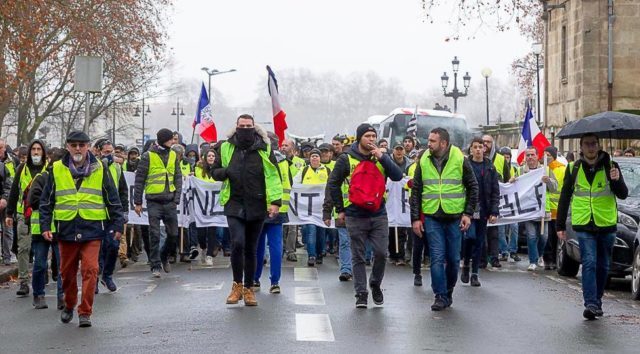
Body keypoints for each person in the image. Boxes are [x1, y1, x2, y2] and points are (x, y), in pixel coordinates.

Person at [39, 131, 125, 327]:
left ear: (88, 147)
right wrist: (45, 226)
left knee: (91, 270)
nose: (78, 148)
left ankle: (85, 312)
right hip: (66, 229)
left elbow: (112, 199)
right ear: (68, 146)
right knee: (67, 273)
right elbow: (46, 202)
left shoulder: (100, 168)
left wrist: (118, 224)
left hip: (92, 228)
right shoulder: (56, 169)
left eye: (82, 145)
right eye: (74, 145)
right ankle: (69, 305)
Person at [327, 123, 403, 308]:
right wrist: (340, 209)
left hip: (378, 213)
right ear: (359, 137)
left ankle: (375, 283)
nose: (371, 139)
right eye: (367, 136)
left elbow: (398, 176)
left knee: (380, 253)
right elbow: (333, 183)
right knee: (358, 256)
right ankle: (361, 293)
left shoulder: (381, 157)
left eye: (373, 136)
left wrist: (382, 157)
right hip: (354, 214)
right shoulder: (346, 159)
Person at [211, 114, 282, 307]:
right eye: (241, 126)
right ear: (236, 127)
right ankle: (237, 285)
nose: (245, 128)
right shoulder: (225, 147)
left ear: (254, 126)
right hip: (234, 203)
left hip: (257, 203)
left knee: (251, 248)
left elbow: (274, 176)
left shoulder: (264, 148)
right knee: (238, 243)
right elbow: (214, 171)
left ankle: (249, 288)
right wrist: (226, 172)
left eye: (248, 125)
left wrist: (275, 201)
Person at [556, 133, 628, 320]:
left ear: (599, 145)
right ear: (581, 147)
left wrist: (616, 179)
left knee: (604, 265)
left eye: (594, 144)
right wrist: (560, 224)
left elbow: (623, 194)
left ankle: (597, 298)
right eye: (587, 144)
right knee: (589, 262)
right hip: (583, 223)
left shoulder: (611, 166)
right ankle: (591, 304)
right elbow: (565, 196)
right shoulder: (573, 168)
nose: (590, 147)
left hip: (606, 223)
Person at [410, 127, 478, 311]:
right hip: (432, 217)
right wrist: (415, 219)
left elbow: (473, 186)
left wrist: (468, 214)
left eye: (432, 141)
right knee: (437, 257)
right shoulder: (423, 159)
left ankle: (448, 290)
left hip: (454, 217)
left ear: (444, 143)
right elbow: (416, 190)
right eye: (429, 140)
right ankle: (439, 295)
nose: (428, 144)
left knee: (454, 259)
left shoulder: (459, 159)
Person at [133, 128, 182, 277]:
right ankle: (155, 264)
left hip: (169, 201)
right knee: (154, 234)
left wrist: (176, 198)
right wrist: (138, 202)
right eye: (170, 139)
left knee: (173, 234)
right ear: (162, 140)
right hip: (154, 201)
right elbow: (139, 180)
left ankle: (163, 255)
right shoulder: (148, 156)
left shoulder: (173, 154)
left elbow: (178, 177)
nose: (172, 142)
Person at [6, 139, 49, 297]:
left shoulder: (49, 169)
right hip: (24, 214)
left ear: (43, 152)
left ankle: (42, 270)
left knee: (42, 248)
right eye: (34, 149)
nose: (36, 152)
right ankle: (23, 281)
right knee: (23, 248)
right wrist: (9, 213)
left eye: (39, 149)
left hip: (44, 215)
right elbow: (14, 192)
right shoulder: (21, 168)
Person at [27, 147, 65, 310]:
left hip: (59, 228)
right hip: (40, 230)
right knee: (40, 264)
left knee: (63, 266)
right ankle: (38, 294)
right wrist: (49, 203)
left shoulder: (65, 179)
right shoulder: (42, 178)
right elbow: (33, 199)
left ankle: (61, 297)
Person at [254, 132, 290, 294]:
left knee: (258, 245)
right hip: (279, 208)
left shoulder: (259, 157)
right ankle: (275, 282)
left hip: (261, 207)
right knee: (276, 246)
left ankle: (255, 279)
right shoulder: (283, 161)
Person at [461, 137, 499, 287]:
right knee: (469, 238)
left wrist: (494, 211)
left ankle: (474, 273)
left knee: (479, 241)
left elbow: (495, 190)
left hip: (483, 209)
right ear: (471, 149)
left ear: (484, 149)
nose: (478, 149)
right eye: (475, 147)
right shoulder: (465, 165)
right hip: (468, 209)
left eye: (480, 147)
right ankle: (466, 265)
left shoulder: (490, 167)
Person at [516, 147, 557, 271]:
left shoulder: (546, 170)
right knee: (531, 236)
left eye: (532, 155)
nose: (530, 157)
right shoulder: (520, 171)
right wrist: (513, 180)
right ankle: (533, 260)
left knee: (543, 237)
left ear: (537, 156)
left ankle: (539, 255)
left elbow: (554, 187)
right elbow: (514, 187)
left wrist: (548, 181)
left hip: (543, 209)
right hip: (528, 209)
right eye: (527, 155)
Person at [96, 140, 129, 292]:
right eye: (106, 153)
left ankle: (107, 275)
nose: (110, 156)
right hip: (96, 213)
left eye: (111, 152)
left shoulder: (117, 167)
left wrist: (125, 211)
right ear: (99, 152)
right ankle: (94, 277)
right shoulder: (94, 166)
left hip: (113, 213)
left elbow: (123, 190)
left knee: (113, 245)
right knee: (96, 248)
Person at [295, 148, 331, 267]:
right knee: (310, 230)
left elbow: (332, 187)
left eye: (317, 156)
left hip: (322, 209)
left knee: (321, 232)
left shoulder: (327, 170)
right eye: (312, 156)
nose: (314, 158)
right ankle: (311, 255)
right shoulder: (304, 170)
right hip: (308, 209)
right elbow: (295, 185)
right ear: (309, 159)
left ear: (320, 158)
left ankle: (320, 253)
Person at [482, 134, 510, 268]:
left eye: (488, 142)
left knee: (494, 232)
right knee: (481, 232)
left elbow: (508, 178)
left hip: (495, 199)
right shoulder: (476, 158)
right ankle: (482, 258)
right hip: (481, 201)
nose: (486, 144)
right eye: (484, 142)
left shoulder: (500, 159)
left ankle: (494, 257)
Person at [542, 146, 566, 270]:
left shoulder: (562, 169)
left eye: (548, 155)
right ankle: (548, 260)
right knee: (548, 237)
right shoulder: (543, 169)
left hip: (557, 209)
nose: (546, 157)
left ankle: (553, 260)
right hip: (547, 209)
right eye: (544, 155)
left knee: (555, 238)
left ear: (554, 156)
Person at [280, 138, 304, 261]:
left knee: (292, 227)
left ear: (293, 148)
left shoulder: (300, 162)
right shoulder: (278, 161)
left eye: (286, 145)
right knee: (281, 226)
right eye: (282, 145)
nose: (283, 147)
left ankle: (291, 251)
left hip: (294, 199)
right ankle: (281, 249)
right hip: (281, 199)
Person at [194, 148, 218, 265]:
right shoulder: (198, 169)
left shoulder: (218, 169)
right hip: (202, 205)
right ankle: (203, 247)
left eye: (213, 156)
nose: (211, 158)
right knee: (201, 232)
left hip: (214, 205)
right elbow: (200, 182)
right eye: (209, 156)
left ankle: (209, 255)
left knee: (212, 230)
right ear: (205, 157)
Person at [497, 147, 521, 262]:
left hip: (512, 203)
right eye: (504, 157)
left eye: (508, 157)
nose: (506, 159)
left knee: (514, 227)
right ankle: (504, 251)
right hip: (501, 203)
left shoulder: (515, 169)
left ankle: (513, 250)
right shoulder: (497, 168)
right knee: (501, 229)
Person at [389, 142, 411, 266]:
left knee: (402, 228)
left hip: (403, 200)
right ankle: (393, 253)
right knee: (392, 228)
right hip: (391, 199)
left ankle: (401, 255)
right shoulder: (389, 163)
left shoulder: (409, 165)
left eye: (401, 149)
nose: (399, 152)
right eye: (397, 149)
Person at [0, 138, 17, 266]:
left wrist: (5, 198)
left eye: (1, 147)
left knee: (7, 229)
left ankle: (7, 256)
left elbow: (11, 183)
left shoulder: (12, 161)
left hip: (6, 200)